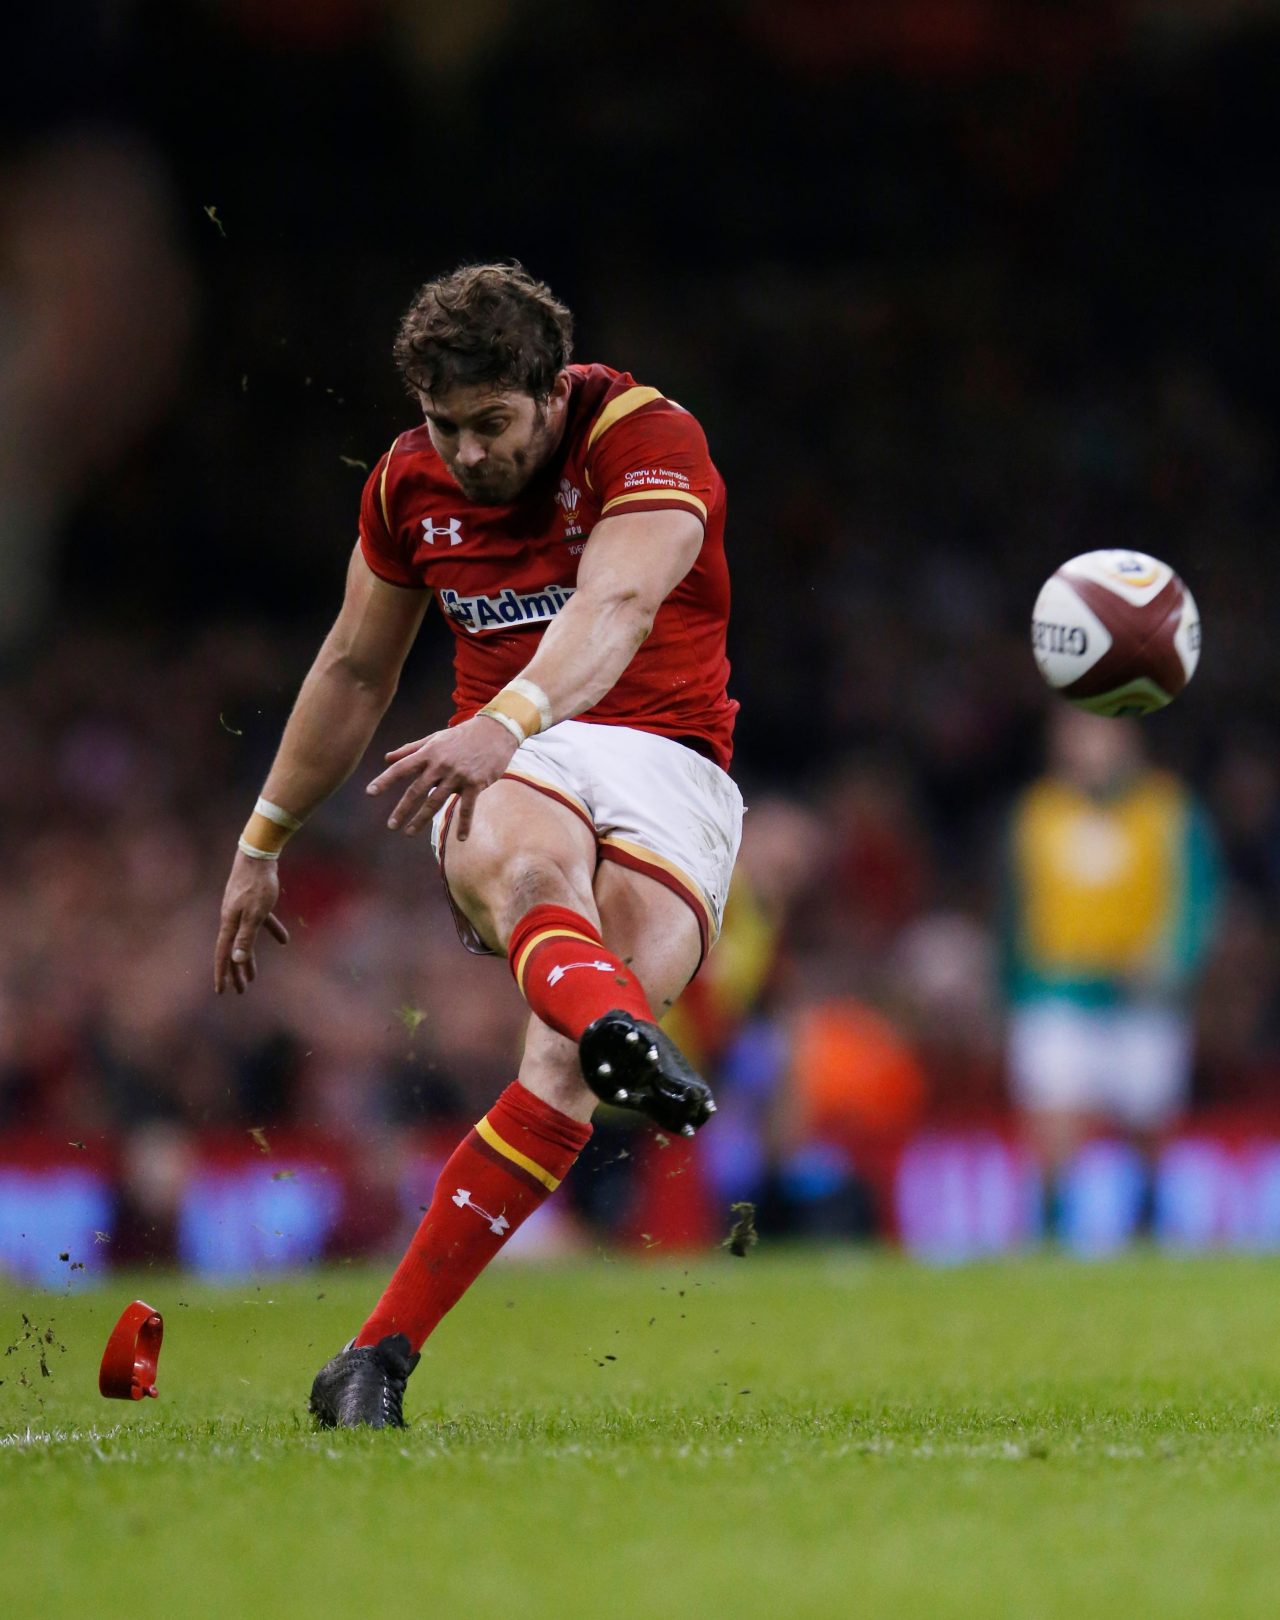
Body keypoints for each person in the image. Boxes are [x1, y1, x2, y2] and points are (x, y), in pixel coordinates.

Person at [212, 263, 743, 1427]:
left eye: (491, 424)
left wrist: (504, 718)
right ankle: (609, 1024)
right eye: (442, 423)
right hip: (510, 770)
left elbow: (615, 607)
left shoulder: (643, 436)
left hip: (667, 765)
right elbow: (354, 668)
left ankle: (366, 1356)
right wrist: (261, 840)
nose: (465, 452)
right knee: (529, 860)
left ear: (551, 393)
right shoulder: (405, 485)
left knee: (555, 1075)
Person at [1001, 706, 1219, 1238]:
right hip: (1056, 988)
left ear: (1128, 740)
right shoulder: (1037, 811)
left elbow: (1199, 897)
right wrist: (1007, 989)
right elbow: (1011, 908)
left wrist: (1173, 960)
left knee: (1146, 1123)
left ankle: (1147, 1221)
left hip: (1141, 993)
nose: (1091, 748)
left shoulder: (1168, 808)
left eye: (1103, 734)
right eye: (1078, 735)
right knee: (1054, 1116)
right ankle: (1049, 1230)